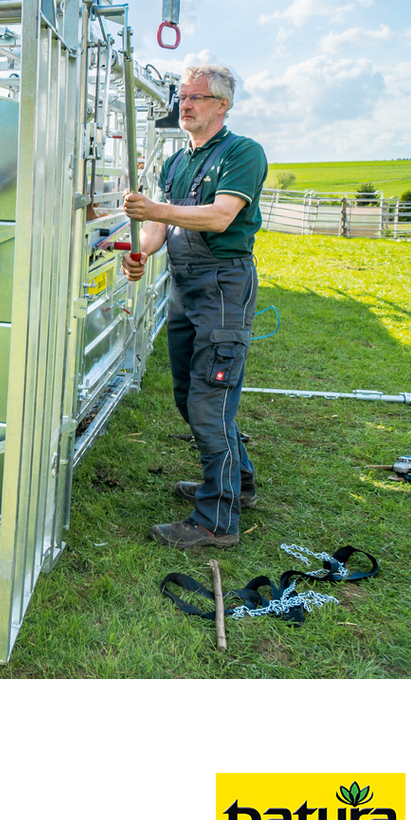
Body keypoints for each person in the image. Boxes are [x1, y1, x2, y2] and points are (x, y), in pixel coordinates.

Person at [121, 65, 268, 549]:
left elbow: (220, 217)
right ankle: (238, 484)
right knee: (190, 396)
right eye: (181, 97)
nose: (184, 105)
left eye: (196, 97)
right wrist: (143, 252)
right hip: (184, 288)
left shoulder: (242, 153)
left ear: (222, 105)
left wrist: (154, 209)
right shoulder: (176, 162)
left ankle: (216, 521)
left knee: (210, 401)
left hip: (223, 287)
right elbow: (160, 227)